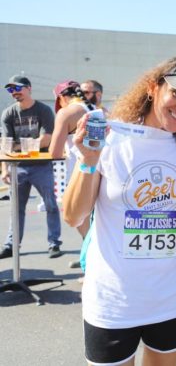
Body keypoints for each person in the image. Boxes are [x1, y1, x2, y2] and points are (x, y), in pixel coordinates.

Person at [62, 57, 176, 366]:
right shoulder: (109, 138)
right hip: (114, 301)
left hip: (172, 297)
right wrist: (89, 159)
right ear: (153, 88)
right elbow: (73, 216)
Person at [0, 75, 62, 260]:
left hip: (41, 166)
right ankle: (11, 245)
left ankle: (54, 244)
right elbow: (5, 144)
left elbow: (47, 139)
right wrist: (4, 169)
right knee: (16, 208)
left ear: (29, 88)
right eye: (10, 90)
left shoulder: (43, 110)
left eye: (17, 88)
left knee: (51, 205)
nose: (14, 93)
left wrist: (19, 146)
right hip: (17, 167)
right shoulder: (9, 113)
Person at [49, 80, 96, 268]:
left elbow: (54, 152)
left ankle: (90, 265)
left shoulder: (66, 113)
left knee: (80, 221)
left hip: (79, 174)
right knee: (97, 224)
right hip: (100, 173)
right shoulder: (96, 110)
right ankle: (91, 260)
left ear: (61, 97)